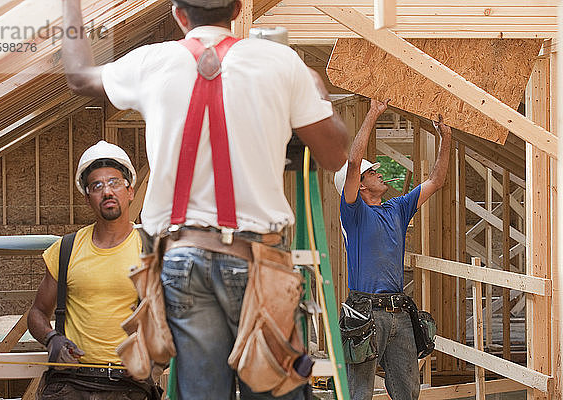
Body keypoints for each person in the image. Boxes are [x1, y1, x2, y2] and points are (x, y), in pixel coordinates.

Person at [59, 0, 349, 399]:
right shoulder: (279, 63)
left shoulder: (151, 62)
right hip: (257, 261)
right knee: (273, 386)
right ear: (238, 9)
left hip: (182, 260)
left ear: (178, 14)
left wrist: (69, 6)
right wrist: (318, 91)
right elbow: (335, 156)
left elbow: (77, 76)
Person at [334, 99, 451, 400]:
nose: (379, 173)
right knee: (359, 392)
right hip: (366, 313)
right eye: (372, 173)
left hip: (399, 311)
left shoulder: (397, 208)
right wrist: (373, 113)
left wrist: (446, 138)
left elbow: (436, 180)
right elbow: (352, 163)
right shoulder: (354, 213)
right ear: (359, 185)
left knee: (408, 391)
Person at [28, 141, 157, 400]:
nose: (107, 191)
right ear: (88, 198)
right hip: (69, 384)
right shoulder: (66, 249)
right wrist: (51, 338)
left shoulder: (151, 249)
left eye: (115, 182)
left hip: (128, 385)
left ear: (130, 191)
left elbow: (175, 317)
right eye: (97, 186)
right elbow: (37, 312)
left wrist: (151, 354)